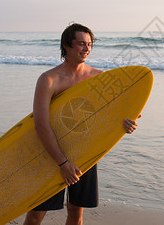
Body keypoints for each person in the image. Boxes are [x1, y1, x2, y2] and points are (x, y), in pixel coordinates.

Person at [23, 23, 139, 225]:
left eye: (90, 44)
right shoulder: (49, 80)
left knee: (76, 211)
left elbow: (113, 115)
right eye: (81, 44)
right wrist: (61, 162)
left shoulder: (99, 78)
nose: (86, 48)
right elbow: (41, 124)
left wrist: (127, 124)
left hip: (84, 153)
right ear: (67, 46)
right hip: (50, 154)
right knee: (36, 214)